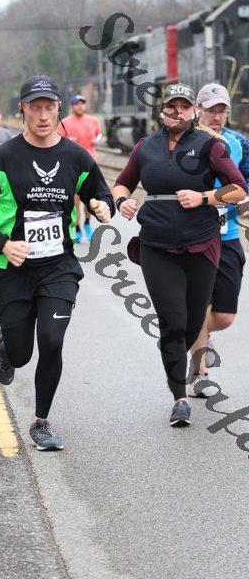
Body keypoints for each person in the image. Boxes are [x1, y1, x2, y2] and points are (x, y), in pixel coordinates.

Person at [0, 74, 114, 450]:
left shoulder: (76, 157)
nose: (43, 116)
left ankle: (41, 422)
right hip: (15, 270)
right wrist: (4, 245)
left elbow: (101, 193)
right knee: (21, 353)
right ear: (23, 110)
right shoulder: (2, 158)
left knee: (51, 339)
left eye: (50, 107)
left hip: (58, 267)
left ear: (59, 109)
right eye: (36, 108)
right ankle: (7, 346)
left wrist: (102, 206)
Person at [112, 83, 247, 427]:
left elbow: (238, 189)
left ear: (192, 111)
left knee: (191, 321)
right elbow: (123, 182)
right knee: (172, 322)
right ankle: (179, 398)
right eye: (171, 107)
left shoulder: (211, 145)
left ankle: (180, 360)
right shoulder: (145, 146)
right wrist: (122, 200)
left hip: (202, 244)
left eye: (184, 107)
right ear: (162, 111)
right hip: (157, 246)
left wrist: (204, 198)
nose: (177, 112)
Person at [187, 83, 249, 395]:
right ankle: (199, 373)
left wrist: (245, 200)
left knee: (223, 316)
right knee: (201, 304)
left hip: (229, 235)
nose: (216, 116)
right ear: (197, 110)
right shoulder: (185, 141)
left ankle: (192, 331)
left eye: (222, 110)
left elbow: (246, 182)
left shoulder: (238, 143)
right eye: (211, 110)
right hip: (194, 236)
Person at [57, 94, 102, 243]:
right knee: (75, 200)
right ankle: (76, 228)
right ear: (72, 106)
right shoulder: (65, 122)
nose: (80, 106)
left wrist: (98, 139)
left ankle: (87, 224)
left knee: (90, 199)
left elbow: (99, 134)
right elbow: (57, 140)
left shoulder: (93, 120)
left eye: (82, 103)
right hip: (72, 166)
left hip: (90, 165)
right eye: (77, 104)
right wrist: (66, 142)